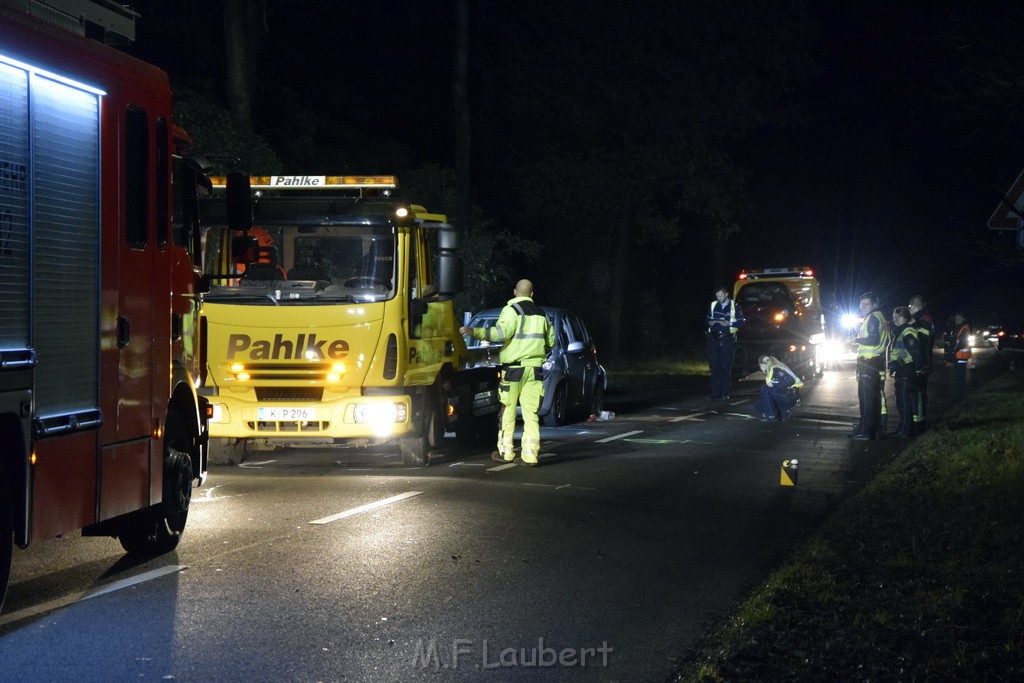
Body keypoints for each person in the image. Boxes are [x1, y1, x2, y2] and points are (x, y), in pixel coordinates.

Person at [459, 279, 554, 466]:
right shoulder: (542, 315)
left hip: (513, 370)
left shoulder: (511, 311)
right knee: (531, 414)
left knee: (508, 411)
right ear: (532, 294)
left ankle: (506, 452)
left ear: (515, 292)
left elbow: (499, 334)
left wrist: (474, 332)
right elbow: (551, 343)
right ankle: (530, 456)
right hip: (534, 370)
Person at [852, 292, 889, 440]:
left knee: (867, 399)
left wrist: (857, 340)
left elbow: (873, 340)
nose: (862, 307)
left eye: (866, 304)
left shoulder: (873, 318)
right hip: (873, 362)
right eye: (861, 304)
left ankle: (866, 431)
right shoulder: (877, 317)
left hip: (870, 362)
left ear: (874, 304)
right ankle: (865, 428)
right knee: (870, 398)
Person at [887, 306, 923, 438]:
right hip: (901, 370)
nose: (895, 320)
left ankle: (905, 430)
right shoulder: (899, 332)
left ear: (905, 317)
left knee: (904, 401)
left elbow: (915, 353)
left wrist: (917, 369)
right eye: (893, 317)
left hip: (907, 370)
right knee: (900, 401)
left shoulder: (907, 332)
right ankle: (901, 428)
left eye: (898, 317)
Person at [705, 285, 745, 400]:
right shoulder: (713, 305)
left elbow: (741, 322)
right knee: (715, 367)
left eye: (720, 295)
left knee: (725, 366)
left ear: (726, 294)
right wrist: (710, 322)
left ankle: (724, 393)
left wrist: (730, 324)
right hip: (714, 339)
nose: (719, 298)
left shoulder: (735, 306)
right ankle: (715, 393)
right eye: (717, 296)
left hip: (727, 339)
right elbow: (707, 319)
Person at [908, 294, 934, 433]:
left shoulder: (921, 320)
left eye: (910, 306)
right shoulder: (923, 318)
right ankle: (917, 423)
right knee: (918, 394)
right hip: (923, 363)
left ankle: (919, 426)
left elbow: (921, 341)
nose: (909, 309)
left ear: (914, 306)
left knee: (918, 395)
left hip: (921, 364)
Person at [754, 355, 804, 422]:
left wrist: (775, 386)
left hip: (789, 396)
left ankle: (772, 415)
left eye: (767, 360)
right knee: (758, 405)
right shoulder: (773, 370)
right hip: (788, 395)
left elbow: (790, 380)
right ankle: (784, 411)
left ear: (762, 365)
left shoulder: (776, 369)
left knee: (764, 389)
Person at [944, 311, 972, 402]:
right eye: (955, 318)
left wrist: (953, 350)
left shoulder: (964, 328)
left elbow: (962, 343)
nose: (956, 320)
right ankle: (956, 395)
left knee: (959, 377)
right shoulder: (958, 327)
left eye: (958, 318)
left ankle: (959, 397)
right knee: (956, 377)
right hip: (958, 356)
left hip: (961, 357)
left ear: (963, 318)